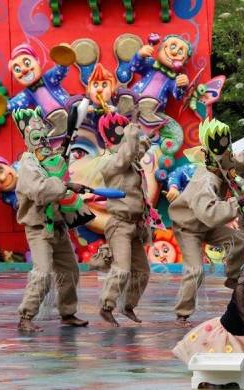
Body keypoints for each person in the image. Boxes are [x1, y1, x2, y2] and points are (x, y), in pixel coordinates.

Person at [169, 118, 244, 327]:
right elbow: (210, 213)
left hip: (207, 225)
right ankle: (182, 313)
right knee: (195, 270)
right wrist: (236, 203)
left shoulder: (224, 164)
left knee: (240, 239)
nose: (228, 155)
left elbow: (242, 161)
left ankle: (232, 278)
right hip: (189, 227)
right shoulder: (205, 180)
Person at [13, 108, 90, 332]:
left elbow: (57, 174)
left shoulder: (48, 160)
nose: (43, 142)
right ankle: (26, 316)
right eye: (37, 138)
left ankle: (67, 312)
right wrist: (66, 185)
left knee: (70, 270)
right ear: (27, 139)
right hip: (38, 228)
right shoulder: (28, 164)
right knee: (43, 272)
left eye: (45, 137)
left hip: (57, 226)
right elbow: (40, 190)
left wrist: (62, 170)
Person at [98, 113, 153, 327]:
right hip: (119, 224)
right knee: (121, 269)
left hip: (135, 226)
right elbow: (127, 153)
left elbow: (136, 150)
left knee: (142, 271)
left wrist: (142, 135)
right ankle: (106, 306)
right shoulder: (111, 163)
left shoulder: (131, 164)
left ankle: (128, 305)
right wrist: (132, 131)